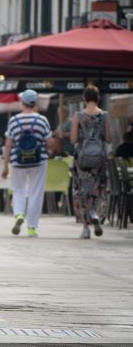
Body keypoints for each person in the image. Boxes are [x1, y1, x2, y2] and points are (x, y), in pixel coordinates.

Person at [2, 89, 52, 238]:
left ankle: (18, 214)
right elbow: (48, 142)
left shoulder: (14, 120)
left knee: (18, 190)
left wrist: (5, 165)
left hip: (18, 161)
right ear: (34, 103)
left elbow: (8, 145)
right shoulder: (42, 120)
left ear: (22, 102)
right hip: (38, 160)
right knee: (36, 193)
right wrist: (48, 152)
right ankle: (32, 228)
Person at [70, 86, 112, 239]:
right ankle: (95, 213)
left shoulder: (78, 115)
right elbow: (108, 139)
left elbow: (73, 139)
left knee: (83, 191)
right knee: (97, 190)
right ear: (98, 98)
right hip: (99, 158)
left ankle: (85, 228)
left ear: (84, 99)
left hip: (82, 159)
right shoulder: (105, 115)